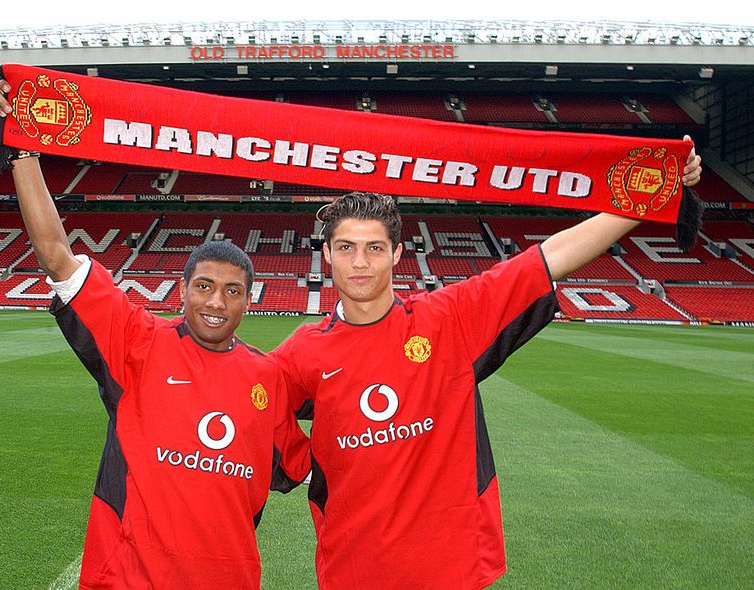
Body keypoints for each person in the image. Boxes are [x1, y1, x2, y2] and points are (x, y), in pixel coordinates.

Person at [274, 148, 701, 588]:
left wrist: (656, 194)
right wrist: (300, 460)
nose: (359, 262)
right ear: (326, 254)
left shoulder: (449, 319)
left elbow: (552, 256)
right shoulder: (303, 351)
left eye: (374, 248)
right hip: (352, 569)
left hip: (450, 567)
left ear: (398, 253)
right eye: (346, 247)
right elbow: (243, 403)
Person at [0, 82, 310, 589]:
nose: (215, 303)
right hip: (129, 579)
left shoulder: (266, 375)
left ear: (251, 300)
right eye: (204, 287)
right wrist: (24, 154)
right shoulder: (138, 343)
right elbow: (57, 257)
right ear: (181, 291)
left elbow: (300, 466)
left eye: (232, 291)